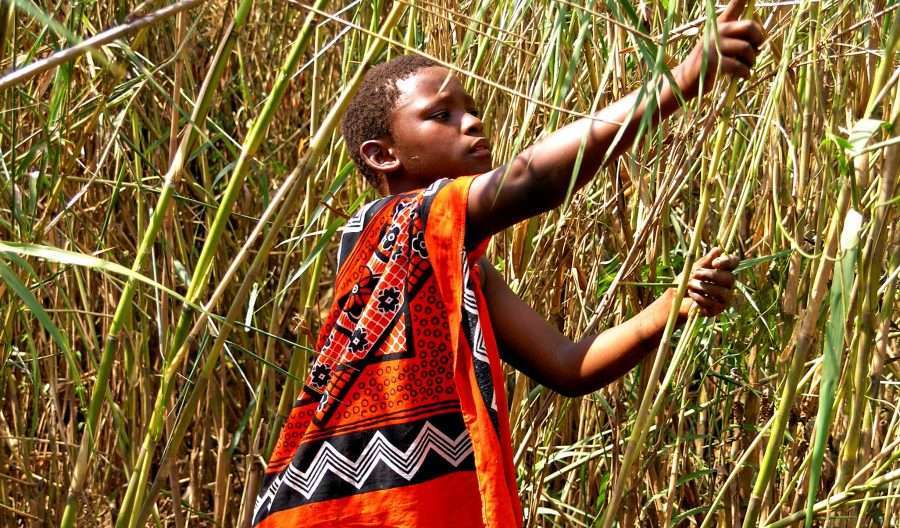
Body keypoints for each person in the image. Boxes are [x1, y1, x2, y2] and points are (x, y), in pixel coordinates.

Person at [250, 1, 764, 526]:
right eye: (442, 115)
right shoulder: (392, 223)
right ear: (383, 155)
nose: (472, 122)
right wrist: (681, 79)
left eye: (471, 110)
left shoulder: (457, 269)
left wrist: (672, 304)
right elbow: (531, 180)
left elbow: (568, 365)